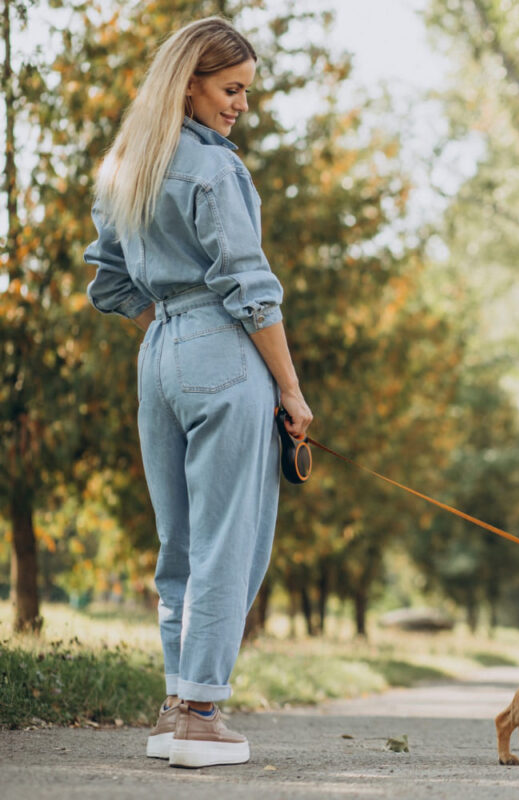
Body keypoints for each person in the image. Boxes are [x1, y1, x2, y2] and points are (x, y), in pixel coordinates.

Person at [84, 17, 312, 769]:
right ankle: (203, 716)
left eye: (245, 91)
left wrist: (170, 332)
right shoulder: (214, 168)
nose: (241, 104)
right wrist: (290, 390)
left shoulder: (126, 166)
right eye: (231, 89)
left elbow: (109, 281)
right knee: (228, 538)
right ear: (189, 84)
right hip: (223, 347)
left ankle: (176, 705)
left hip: (158, 357)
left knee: (179, 543)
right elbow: (251, 288)